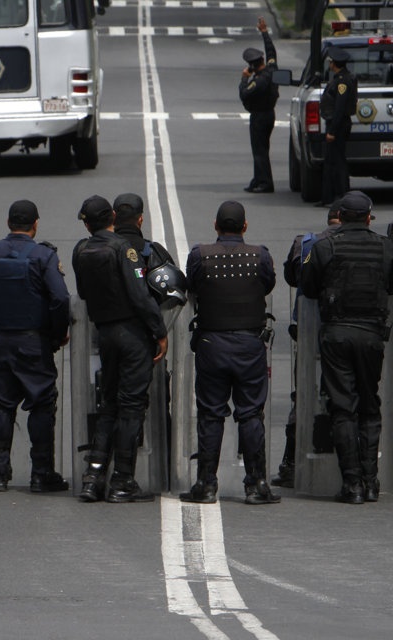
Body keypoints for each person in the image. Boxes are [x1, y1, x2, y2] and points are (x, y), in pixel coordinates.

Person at [0, 200, 71, 493]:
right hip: (33, 342)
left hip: (0, 340)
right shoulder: (43, 255)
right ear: (35, 224)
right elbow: (60, 298)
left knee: (0, 405)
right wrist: (57, 334)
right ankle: (41, 473)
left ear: (8, 223)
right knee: (42, 403)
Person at [71, 196, 168, 503]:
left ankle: (93, 478)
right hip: (132, 335)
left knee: (108, 404)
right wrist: (159, 331)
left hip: (105, 334)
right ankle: (123, 480)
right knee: (131, 407)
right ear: (112, 217)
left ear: (87, 224)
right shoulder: (124, 249)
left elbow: (83, 292)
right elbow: (140, 296)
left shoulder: (81, 250)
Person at [181, 201, 278, 505]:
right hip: (249, 345)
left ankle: (206, 485)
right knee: (250, 413)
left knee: (211, 414)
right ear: (245, 226)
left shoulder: (200, 255)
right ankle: (257, 484)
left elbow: (192, 286)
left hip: (212, 344)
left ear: (216, 225)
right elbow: (267, 284)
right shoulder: (260, 255)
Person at [300, 191, 393, 504]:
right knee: (369, 405)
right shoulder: (385, 246)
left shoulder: (324, 246)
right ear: (368, 218)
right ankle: (371, 481)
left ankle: (352, 484)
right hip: (371, 335)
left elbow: (308, 286)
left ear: (339, 217)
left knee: (342, 408)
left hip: (337, 333)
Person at [273, 201, 342, 487]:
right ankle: (354, 468)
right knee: (348, 397)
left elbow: (292, 278)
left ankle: (291, 464)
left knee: (303, 395)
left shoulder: (306, 243)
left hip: (308, 332)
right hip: (349, 331)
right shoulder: (371, 244)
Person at [239, 16, 278, 194]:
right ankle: (258, 178)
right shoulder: (271, 70)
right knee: (262, 149)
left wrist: (244, 78)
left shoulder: (260, 81)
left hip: (260, 116)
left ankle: (265, 182)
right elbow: (271, 53)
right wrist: (264, 33)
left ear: (252, 66)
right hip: (269, 114)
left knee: (259, 150)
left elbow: (244, 93)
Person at [319, 47, 358, 206]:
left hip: (339, 125)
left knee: (338, 161)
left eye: (330, 61)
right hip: (335, 124)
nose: (329, 64)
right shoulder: (339, 78)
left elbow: (340, 108)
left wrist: (332, 131)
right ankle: (327, 197)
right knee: (330, 161)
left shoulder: (343, 81)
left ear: (334, 63)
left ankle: (342, 196)